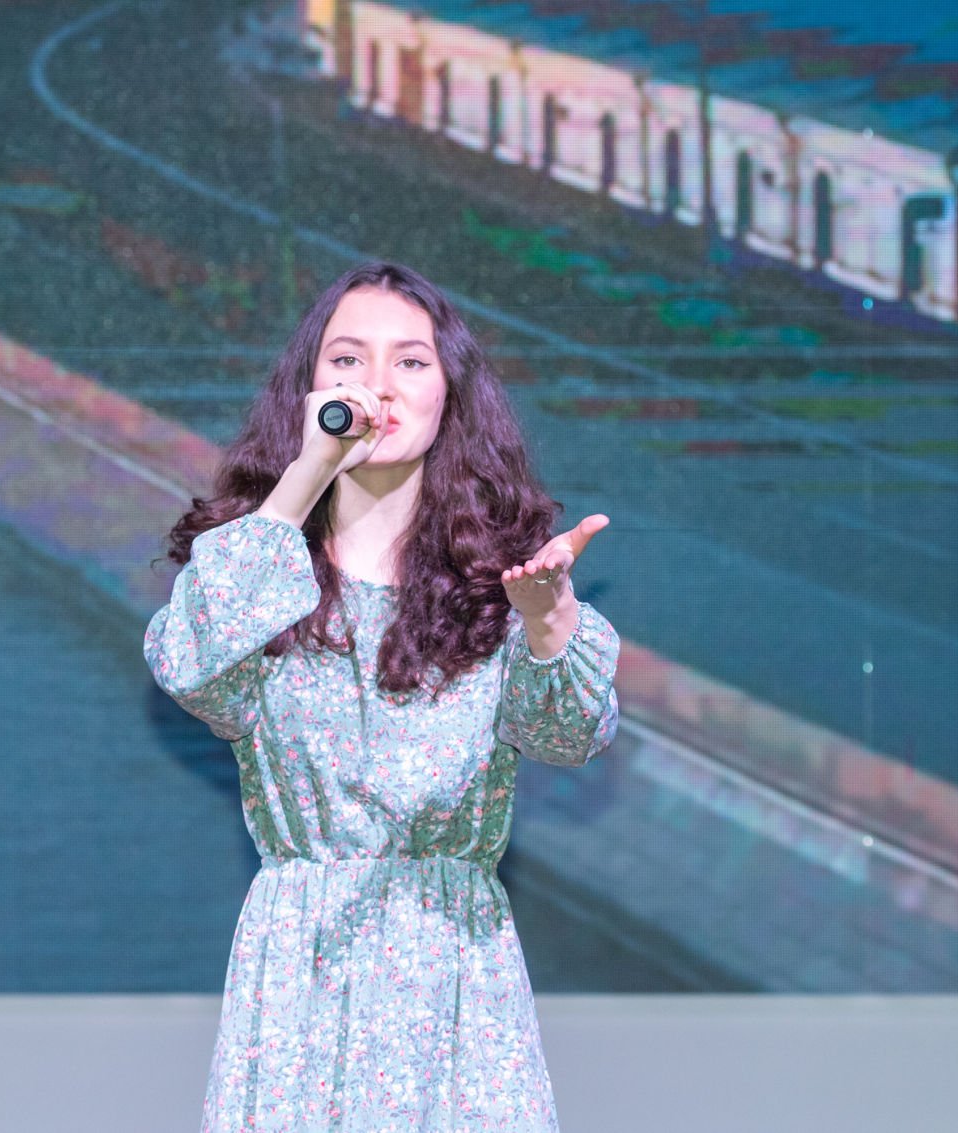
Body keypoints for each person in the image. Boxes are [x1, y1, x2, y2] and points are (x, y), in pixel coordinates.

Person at [143, 260, 619, 1131]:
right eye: (348, 359)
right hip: (302, 979)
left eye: (410, 361)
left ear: (448, 394)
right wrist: (309, 470)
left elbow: (571, 735)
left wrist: (550, 622)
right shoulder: (264, 573)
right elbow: (188, 663)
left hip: (455, 980)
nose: (378, 385)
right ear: (310, 389)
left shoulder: (502, 586)